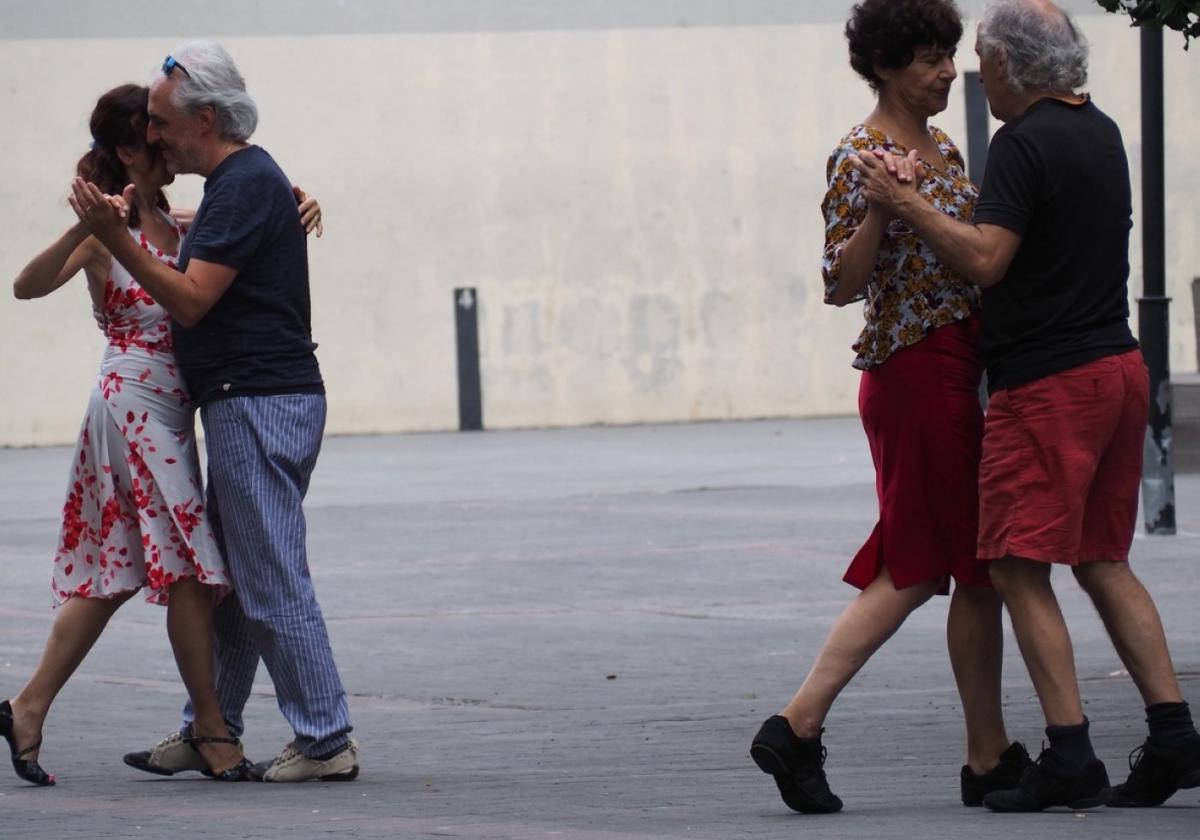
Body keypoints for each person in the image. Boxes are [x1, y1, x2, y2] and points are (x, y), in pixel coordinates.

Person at [852, 0, 1200, 813]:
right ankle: (1176, 735)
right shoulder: (1100, 129)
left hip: (1049, 386)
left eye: (978, 60)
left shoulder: (1022, 142)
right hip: (1118, 369)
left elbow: (986, 260)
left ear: (1008, 65)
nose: (972, 75)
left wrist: (904, 206)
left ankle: (1070, 752)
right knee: (1103, 561)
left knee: (1011, 562)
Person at [749, 0, 1028, 814]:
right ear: (884, 66)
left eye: (948, 55)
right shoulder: (858, 154)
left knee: (964, 565)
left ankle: (988, 753)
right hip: (917, 371)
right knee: (923, 564)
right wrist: (880, 203)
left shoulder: (939, 146)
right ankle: (797, 722)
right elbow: (840, 284)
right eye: (929, 58)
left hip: (954, 366)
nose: (947, 71)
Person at [2, 83, 318, 786]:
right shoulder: (104, 227)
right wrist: (87, 227)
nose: (170, 150)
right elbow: (25, 286)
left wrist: (299, 203)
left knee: (119, 570)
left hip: (172, 410)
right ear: (126, 151)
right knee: (186, 570)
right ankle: (212, 732)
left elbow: (242, 229)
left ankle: (27, 707)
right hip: (134, 405)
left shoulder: (179, 218)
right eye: (154, 142)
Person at [70, 40, 358, 783]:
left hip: (260, 402)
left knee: (268, 578)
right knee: (236, 578)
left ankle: (327, 740)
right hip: (246, 402)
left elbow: (192, 300)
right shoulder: (244, 186)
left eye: (162, 122)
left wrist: (113, 241)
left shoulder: (244, 182)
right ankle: (212, 727)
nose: (154, 135)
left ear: (205, 117)